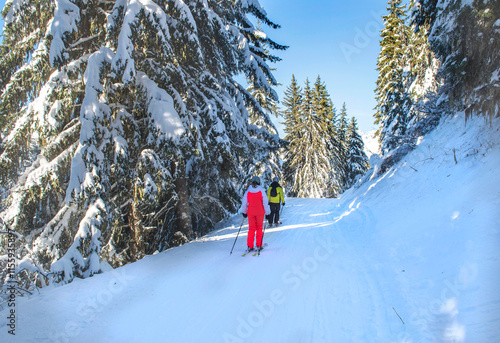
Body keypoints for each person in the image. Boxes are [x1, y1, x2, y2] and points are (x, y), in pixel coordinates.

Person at [239, 176, 270, 253]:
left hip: (251, 212)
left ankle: (250, 246)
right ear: (259, 182)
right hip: (260, 212)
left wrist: (244, 212)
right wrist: (267, 213)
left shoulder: (248, 191)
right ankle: (259, 245)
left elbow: (244, 203)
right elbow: (265, 203)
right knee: (259, 228)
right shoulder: (261, 191)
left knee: (251, 229)